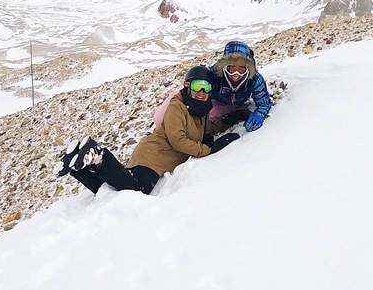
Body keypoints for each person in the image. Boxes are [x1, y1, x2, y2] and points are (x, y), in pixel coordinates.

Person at [58, 65, 240, 195]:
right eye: (197, 86)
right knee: (138, 192)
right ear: (187, 86)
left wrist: (229, 121)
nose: (202, 92)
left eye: (206, 88)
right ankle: (99, 156)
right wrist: (209, 149)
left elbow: (208, 127)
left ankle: (78, 168)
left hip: (157, 158)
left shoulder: (200, 111)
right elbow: (179, 140)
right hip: (153, 156)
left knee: (112, 192)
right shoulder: (177, 107)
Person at [209, 40, 272, 132]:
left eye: (241, 70)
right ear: (225, 67)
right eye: (232, 69)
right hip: (213, 99)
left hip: (234, 104)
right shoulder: (214, 74)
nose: (236, 74)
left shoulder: (255, 79)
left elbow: (264, 103)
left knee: (212, 114)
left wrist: (259, 114)